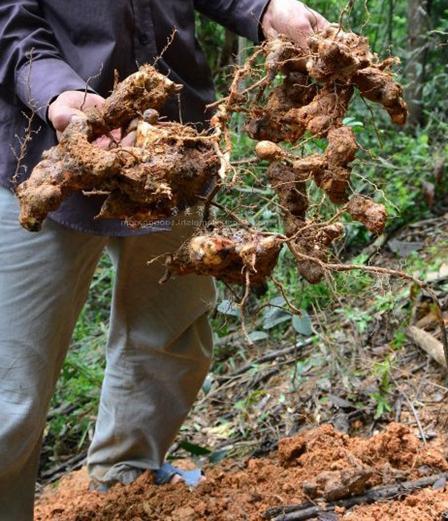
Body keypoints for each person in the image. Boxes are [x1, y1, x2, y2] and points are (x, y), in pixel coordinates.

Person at [0, 1, 328, 519]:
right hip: (44, 149)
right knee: (8, 392)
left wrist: (263, 9)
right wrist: (56, 91)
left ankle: (126, 484)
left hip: (176, 147)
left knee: (169, 327)